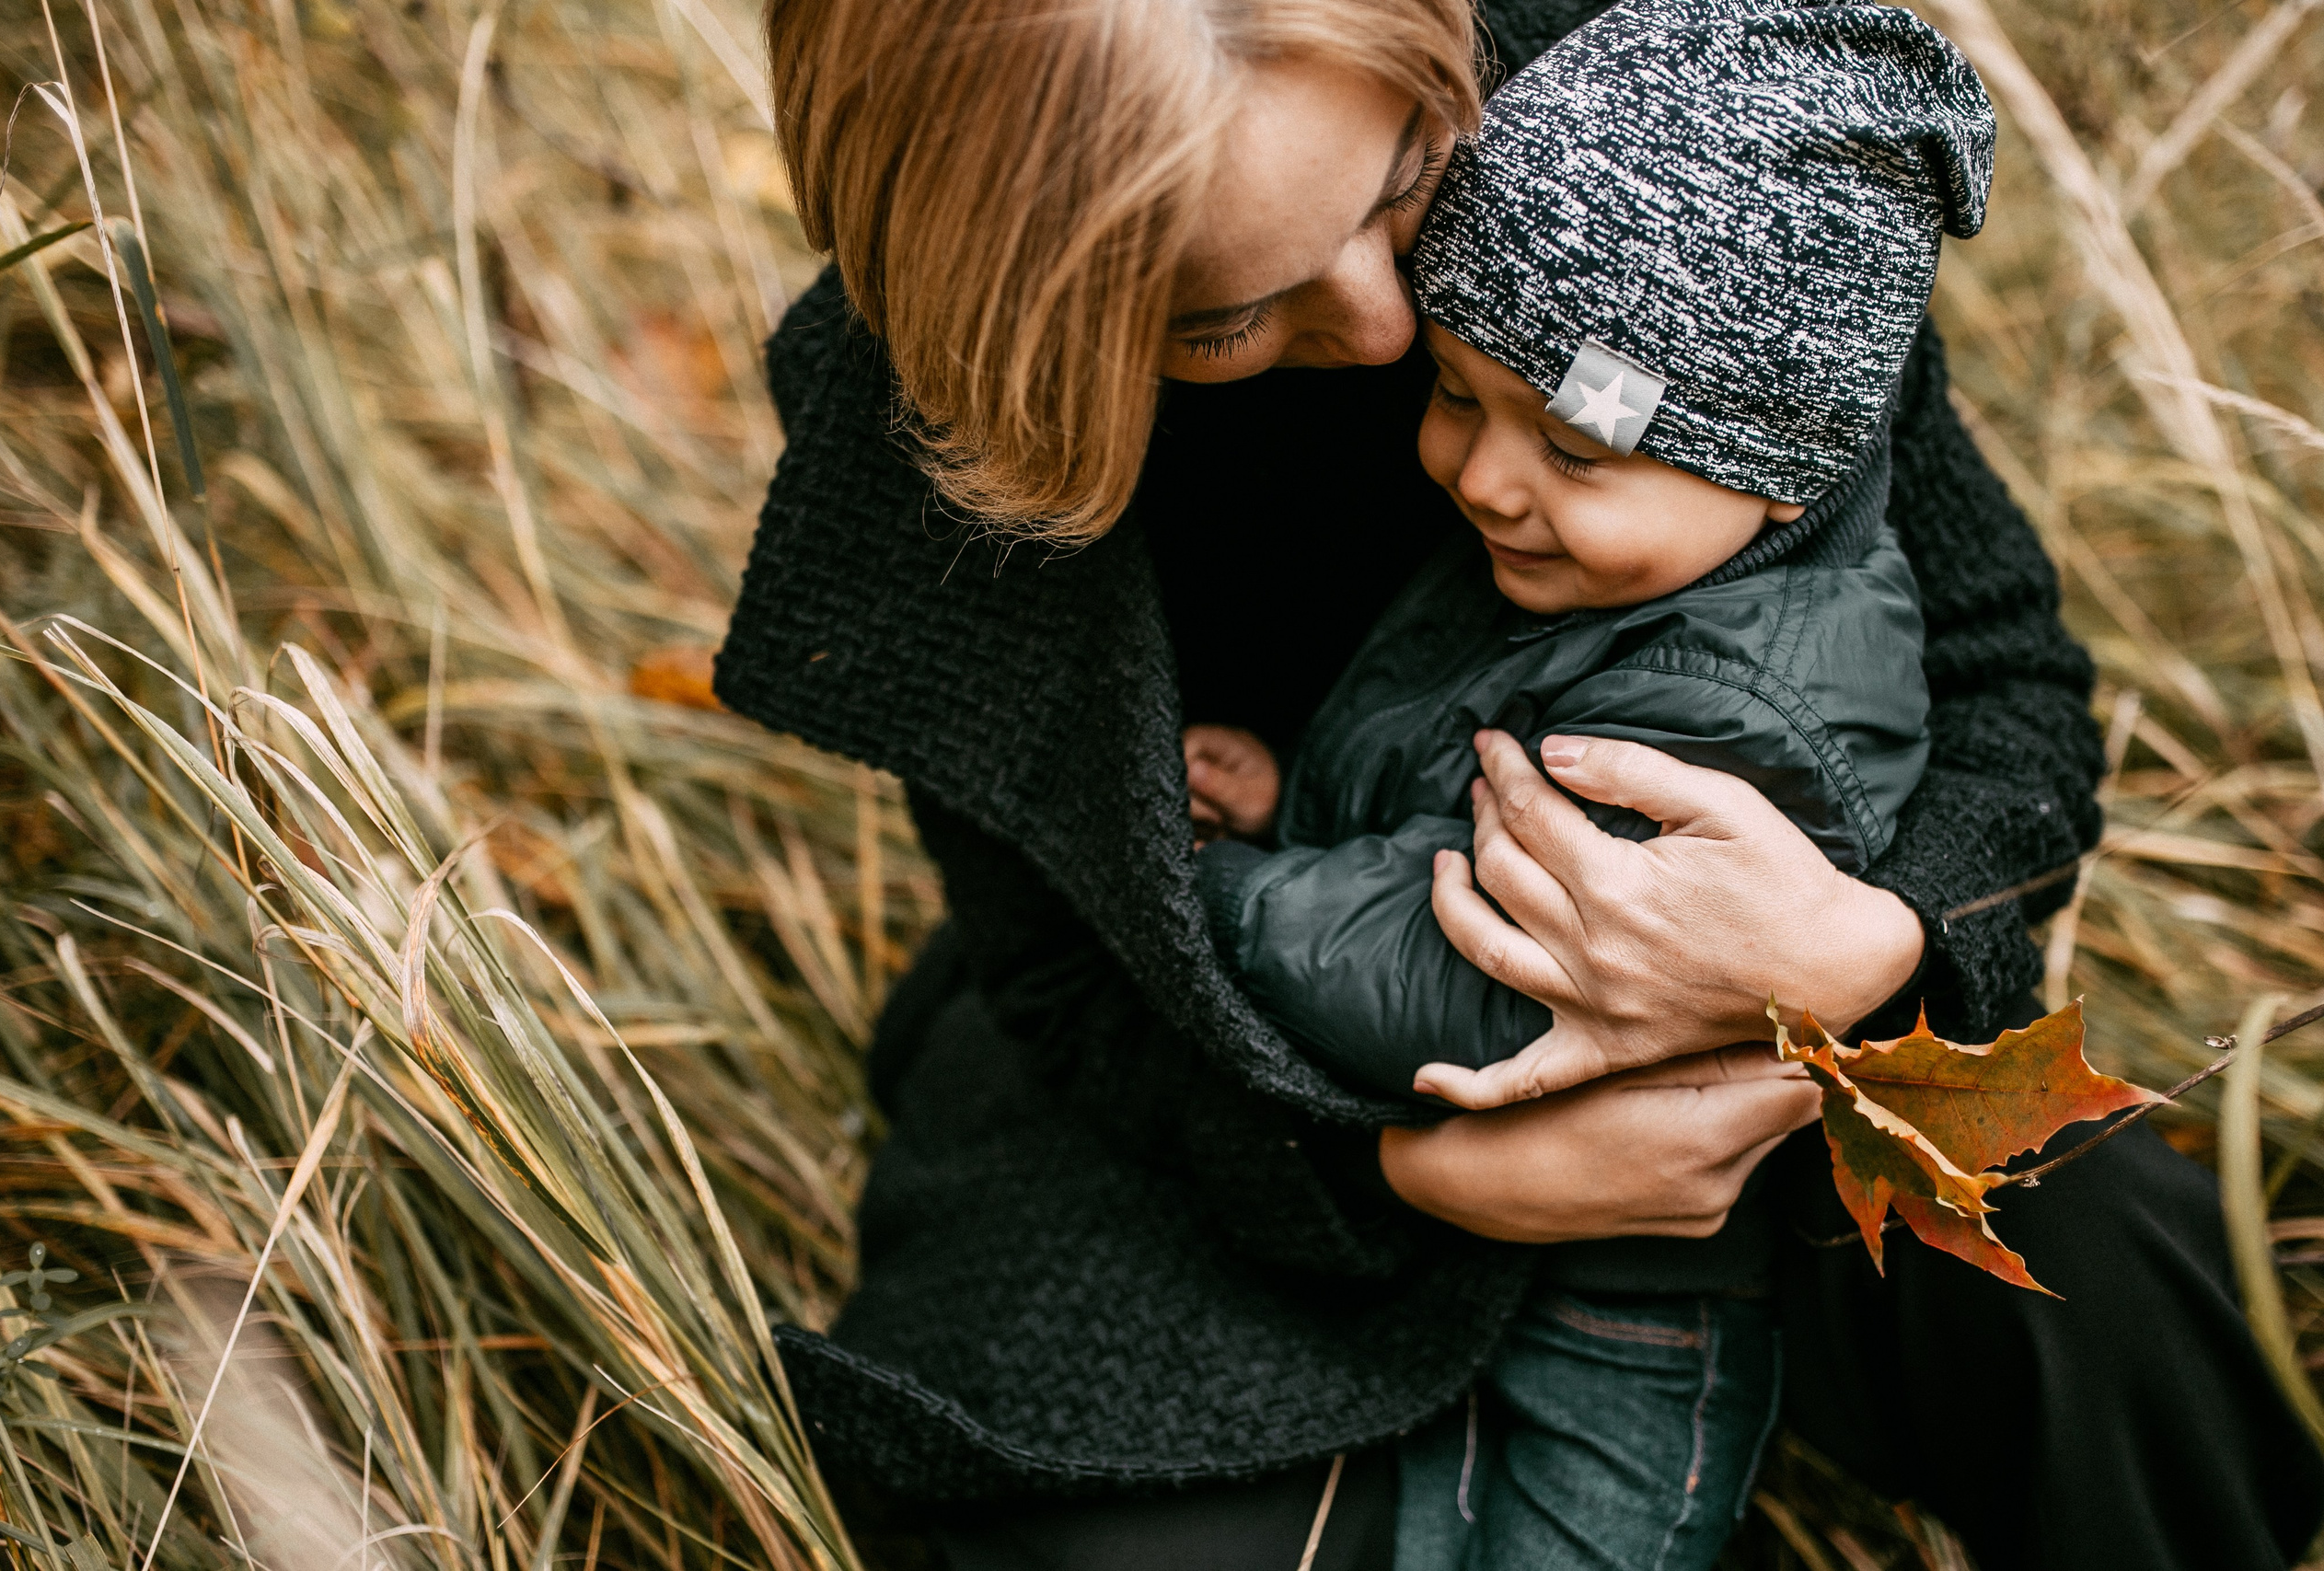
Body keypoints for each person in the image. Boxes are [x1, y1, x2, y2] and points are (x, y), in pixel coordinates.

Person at [716, 0, 2324, 1565]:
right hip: (1237, 1073)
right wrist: (1410, 1171)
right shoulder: (916, 420)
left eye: (1406, 177)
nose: (1384, 327)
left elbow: (2005, 683)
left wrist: (1877, 945)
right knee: (1105, 1508)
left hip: (1758, 1061)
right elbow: (1069, 973)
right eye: (1222, 320)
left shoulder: (1669, 141)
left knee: (2111, 1300)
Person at [1185, 6, 1984, 1560]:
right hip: (1469, 1238)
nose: (1485, 475)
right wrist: (1293, 801)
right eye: (1461, 397)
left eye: (1570, 445)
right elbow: (1453, 777)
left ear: (1782, 469)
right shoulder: (1596, 566)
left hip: (1637, 1308)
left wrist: (1208, 888)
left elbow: (1478, 965)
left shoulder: (1735, 706)